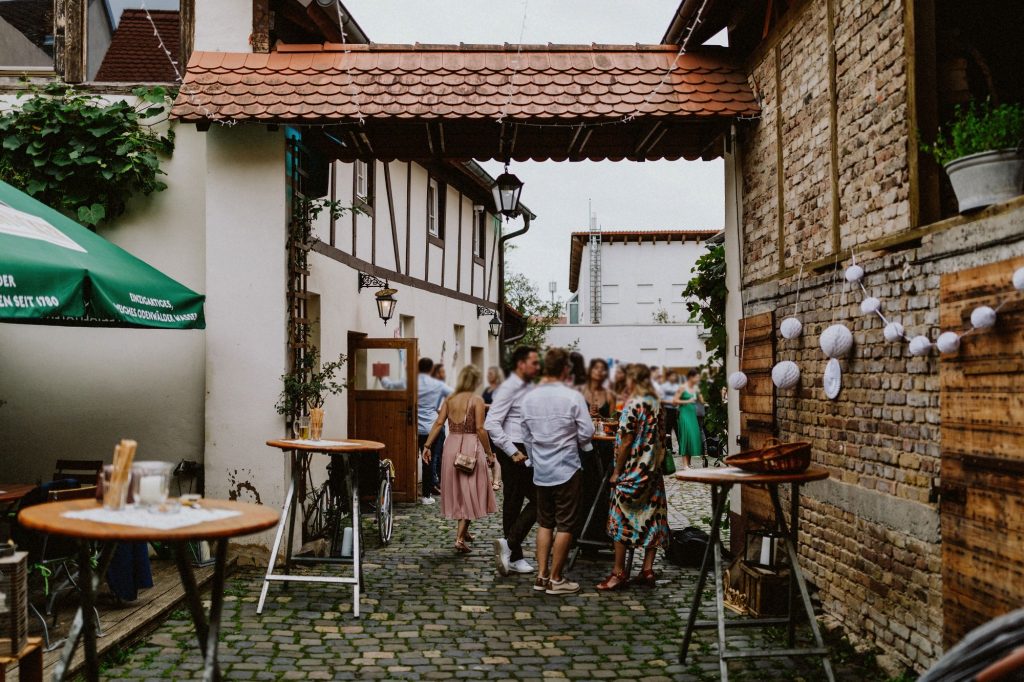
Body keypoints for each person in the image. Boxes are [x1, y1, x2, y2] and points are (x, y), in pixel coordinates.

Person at [520, 348, 595, 595]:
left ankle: (541, 576)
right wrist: (579, 443)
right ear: (565, 369)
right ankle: (556, 578)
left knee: (545, 521)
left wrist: (534, 458)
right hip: (566, 467)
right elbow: (587, 431)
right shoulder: (572, 397)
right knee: (565, 524)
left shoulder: (529, 398)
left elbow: (526, 436)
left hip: (541, 468)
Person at [598, 363, 670, 591]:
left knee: (619, 517)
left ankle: (618, 573)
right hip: (653, 472)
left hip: (632, 471)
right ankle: (647, 570)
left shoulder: (633, 405)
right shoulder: (657, 404)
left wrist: (617, 471)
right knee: (653, 517)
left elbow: (627, 440)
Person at [420, 366, 497, 552]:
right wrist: (489, 452)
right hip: (470, 446)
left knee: (459, 490)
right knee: (471, 491)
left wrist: (427, 445)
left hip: (451, 445)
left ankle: (465, 531)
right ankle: (460, 539)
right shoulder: (476, 399)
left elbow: (439, 423)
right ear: (475, 381)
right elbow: (480, 428)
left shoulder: (450, 398)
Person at [484, 345, 541, 576]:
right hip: (514, 450)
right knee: (520, 501)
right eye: (534, 362)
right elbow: (491, 423)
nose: (538, 366)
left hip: (528, 449)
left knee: (530, 501)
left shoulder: (529, 386)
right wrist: (510, 450)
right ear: (521, 364)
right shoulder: (508, 388)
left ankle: (510, 547)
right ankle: (513, 552)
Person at [417, 357, 452, 504]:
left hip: (415, 426)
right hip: (432, 427)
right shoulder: (438, 385)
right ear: (431, 369)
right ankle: (426, 495)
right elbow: (456, 395)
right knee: (429, 460)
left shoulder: (412, 382)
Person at [674, 369, 704, 469]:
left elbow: (702, 401)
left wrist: (700, 393)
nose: (698, 379)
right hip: (684, 414)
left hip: (692, 415)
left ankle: (689, 463)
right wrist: (687, 401)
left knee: (692, 436)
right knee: (686, 437)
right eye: (696, 377)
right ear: (691, 377)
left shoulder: (695, 388)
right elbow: (675, 400)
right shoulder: (682, 387)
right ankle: (685, 464)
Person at [427, 363, 449, 495]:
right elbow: (435, 407)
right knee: (435, 455)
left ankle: (440, 481)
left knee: (439, 455)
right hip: (435, 423)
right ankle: (434, 482)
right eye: (442, 372)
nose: (444, 374)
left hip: (439, 424)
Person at [482, 365, 504, 491]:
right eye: (488, 374)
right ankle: (490, 478)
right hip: (486, 423)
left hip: (496, 424)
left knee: (495, 453)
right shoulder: (487, 390)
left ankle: (496, 480)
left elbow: (499, 406)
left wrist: (483, 405)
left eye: (490, 374)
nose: (488, 376)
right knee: (488, 453)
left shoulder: (500, 390)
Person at [660, 371, 681, 454]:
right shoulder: (664, 386)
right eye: (672, 376)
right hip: (667, 410)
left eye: (675, 376)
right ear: (668, 377)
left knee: (678, 430)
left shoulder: (677, 386)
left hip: (676, 410)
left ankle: (682, 448)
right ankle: (669, 449)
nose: (674, 378)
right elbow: (661, 399)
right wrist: (670, 402)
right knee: (667, 430)